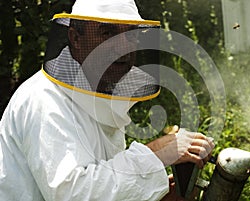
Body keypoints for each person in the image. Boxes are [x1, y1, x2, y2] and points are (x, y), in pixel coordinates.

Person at [0, 0, 215, 200]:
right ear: (75, 38)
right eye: (107, 32)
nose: (123, 47)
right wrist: (156, 154)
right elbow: (71, 193)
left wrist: (156, 192)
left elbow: (103, 178)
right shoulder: (44, 100)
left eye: (130, 35)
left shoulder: (102, 90)